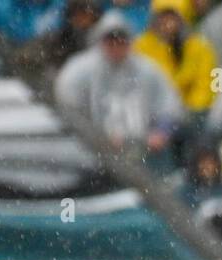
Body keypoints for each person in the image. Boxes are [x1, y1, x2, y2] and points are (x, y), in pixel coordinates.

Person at [54, 11, 184, 154]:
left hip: (144, 149)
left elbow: (169, 104)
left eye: (121, 40)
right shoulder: (80, 70)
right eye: (110, 41)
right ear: (100, 41)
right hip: (93, 149)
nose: (116, 46)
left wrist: (161, 132)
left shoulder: (147, 69)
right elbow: (66, 106)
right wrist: (93, 135)